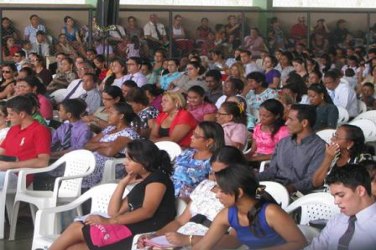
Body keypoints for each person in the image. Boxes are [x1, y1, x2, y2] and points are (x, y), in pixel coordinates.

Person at [49, 139, 176, 250]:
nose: (125, 162)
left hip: (145, 234)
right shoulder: (143, 183)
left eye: (130, 159)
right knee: (73, 247)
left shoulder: (158, 179)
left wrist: (109, 222)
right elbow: (114, 211)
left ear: (144, 162)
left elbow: (147, 211)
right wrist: (122, 184)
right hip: (130, 229)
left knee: (77, 228)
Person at [138, 146, 248, 248]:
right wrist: (155, 236)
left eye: (221, 173)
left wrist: (188, 240)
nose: (215, 178)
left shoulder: (241, 197)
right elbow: (180, 222)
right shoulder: (206, 186)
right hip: (180, 239)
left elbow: (235, 241)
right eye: (213, 172)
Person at [193, 164, 306, 250]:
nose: (217, 195)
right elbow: (203, 245)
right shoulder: (227, 214)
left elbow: (299, 242)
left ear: (239, 192)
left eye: (222, 191)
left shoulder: (270, 212)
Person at [258, 104, 326, 194]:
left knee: (264, 203)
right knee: (251, 196)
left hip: (297, 192)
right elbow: (272, 170)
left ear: (304, 123)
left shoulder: (319, 147)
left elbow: (311, 180)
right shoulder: (283, 142)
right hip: (274, 186)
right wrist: (253, 178)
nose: (286, 123)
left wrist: (289, 189)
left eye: (291, 119)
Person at [306, 165, 376, 250]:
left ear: (360, 191)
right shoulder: (337, 220)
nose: (336, 202)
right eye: (334, 196)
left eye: (341, 195)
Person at [82, 102, 140, 189]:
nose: (108, 115)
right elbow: (87, 145)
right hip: (95, 161)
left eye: (111, 113)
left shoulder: (128, 133)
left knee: (79, 170)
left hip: (111, 166)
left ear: (121, 116)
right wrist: (106, 144)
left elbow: (109, 152)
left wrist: (96, 147)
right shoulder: (110, 128)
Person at [0, 95, 51, 188]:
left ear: (22, 114)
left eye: (11, 114)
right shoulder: (13, 129)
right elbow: (1, 151)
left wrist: (10, 165)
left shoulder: (40, 130)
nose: (8, 117)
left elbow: (43, 162)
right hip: (5, 171)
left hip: (20, 176)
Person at [173, 121, 225, 200]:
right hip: (167, 193)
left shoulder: (214, 163)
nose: (191, 137)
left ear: (209, 141)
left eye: (196, 136)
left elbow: (212, 189)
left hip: (187, 202)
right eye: (193, 133)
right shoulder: (187, 153)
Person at [312, 124, 367, 189]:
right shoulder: (333, 157)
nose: (332, 139)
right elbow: (316, 183)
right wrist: (328, 159)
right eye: (334, 135)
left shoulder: (361, 161)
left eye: (336, 137)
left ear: (349, 144)